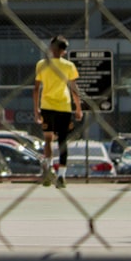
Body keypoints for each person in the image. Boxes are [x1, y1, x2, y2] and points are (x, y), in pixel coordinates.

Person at [33, 35, 83, 189]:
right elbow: (74, 89)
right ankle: (61, 176)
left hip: (47, 106)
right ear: (64, 51)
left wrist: (36, 109)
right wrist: (78, 108)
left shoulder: (41, 64)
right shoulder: (68, 66)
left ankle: (48, 169)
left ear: (51, 48)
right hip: (63, 107)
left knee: (48, 139)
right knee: (62, 141)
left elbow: (36, 89)